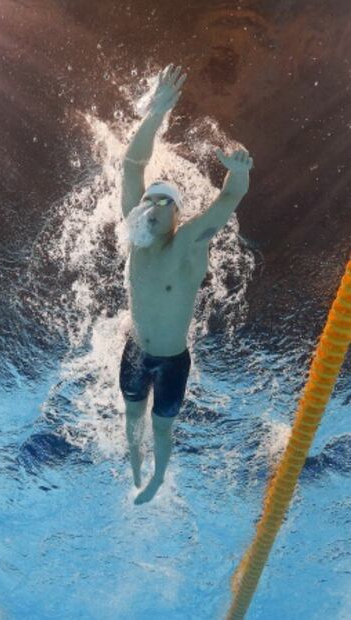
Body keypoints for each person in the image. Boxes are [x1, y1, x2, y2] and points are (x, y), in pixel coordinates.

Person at [119, 63, 253, 504]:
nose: (153, 204)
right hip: (136, 351)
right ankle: (134, 464)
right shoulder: (135, 237)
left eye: (164, 201)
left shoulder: (189, 243)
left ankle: (157, 475)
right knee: (132, 413)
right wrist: (157, 111)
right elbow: (132, 163)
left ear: (177, 214)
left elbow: (228, 199)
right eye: (148, 200)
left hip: (172, 361)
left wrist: (239, 171)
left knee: (161, 423)